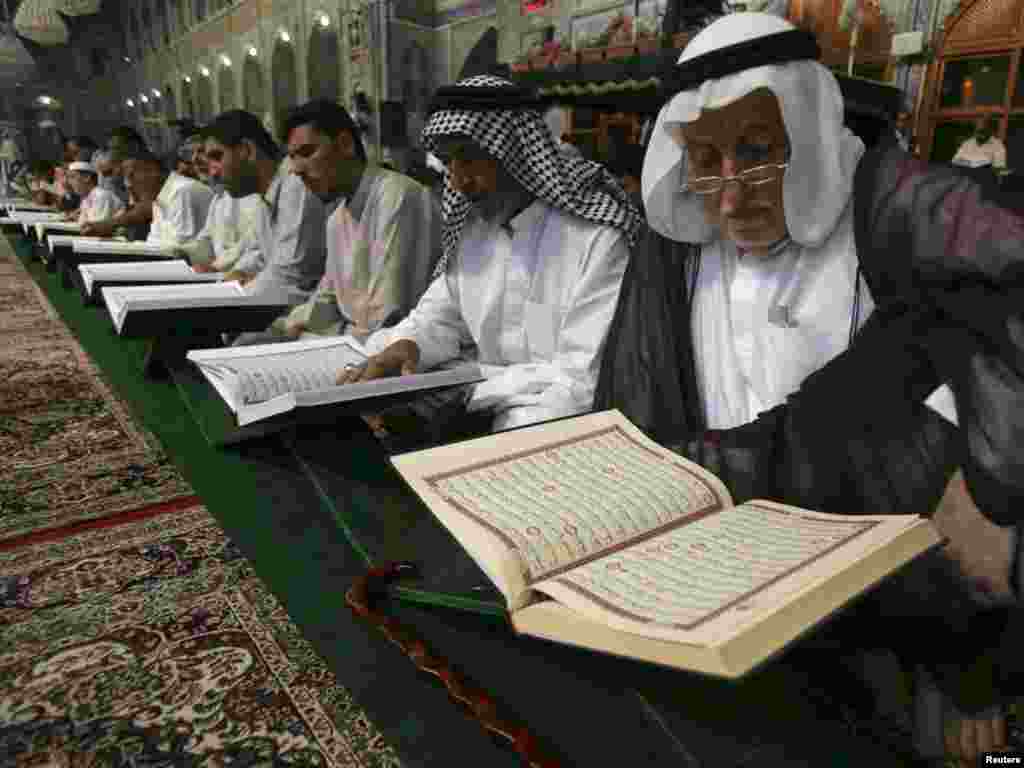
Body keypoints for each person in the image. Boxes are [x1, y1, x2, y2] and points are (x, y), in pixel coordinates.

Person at [592, 13, 1024, 767]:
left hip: (895, 600)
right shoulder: (679, 251)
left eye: (758, 152)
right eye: (705, 161)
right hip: (731, 590)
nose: (730, 198)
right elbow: (641, 409)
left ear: (808, 130)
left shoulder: (892, 213)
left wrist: (990, 477)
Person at [337, 75, 643, 433]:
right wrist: (409, 346)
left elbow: (580, 383)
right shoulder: (472, 232)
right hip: (484, 413)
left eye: (469, 158)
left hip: (560, 430)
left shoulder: (597, 238)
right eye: (448, 163)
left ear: (517, 153)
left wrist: (470, 392)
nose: (457, 182)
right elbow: (439, 316)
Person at [237, 99, 440, 345]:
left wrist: (314, 339)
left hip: (396, 348)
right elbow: (327, 298)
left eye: (307, 153)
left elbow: (387, 316)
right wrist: (281, 328)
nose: (296, 169)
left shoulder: (396, 196)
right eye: (292, 157)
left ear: (345, 144)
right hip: (353, 341)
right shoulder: (336, 219)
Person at [203, 109, 327, 294]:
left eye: (217, 157)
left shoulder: (296, 184)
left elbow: (289, 275)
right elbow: (259, 253)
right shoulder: (264, 196)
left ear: (247, 150)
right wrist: (240, 272)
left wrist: (229, 294)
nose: (212, 172)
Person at [81, 129, 153, 239]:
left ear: (134, 147)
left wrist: (110, 224)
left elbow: (145, 209)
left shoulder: (146, 171)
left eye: (115, 148)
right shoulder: (128, 172)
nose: (112, 153)